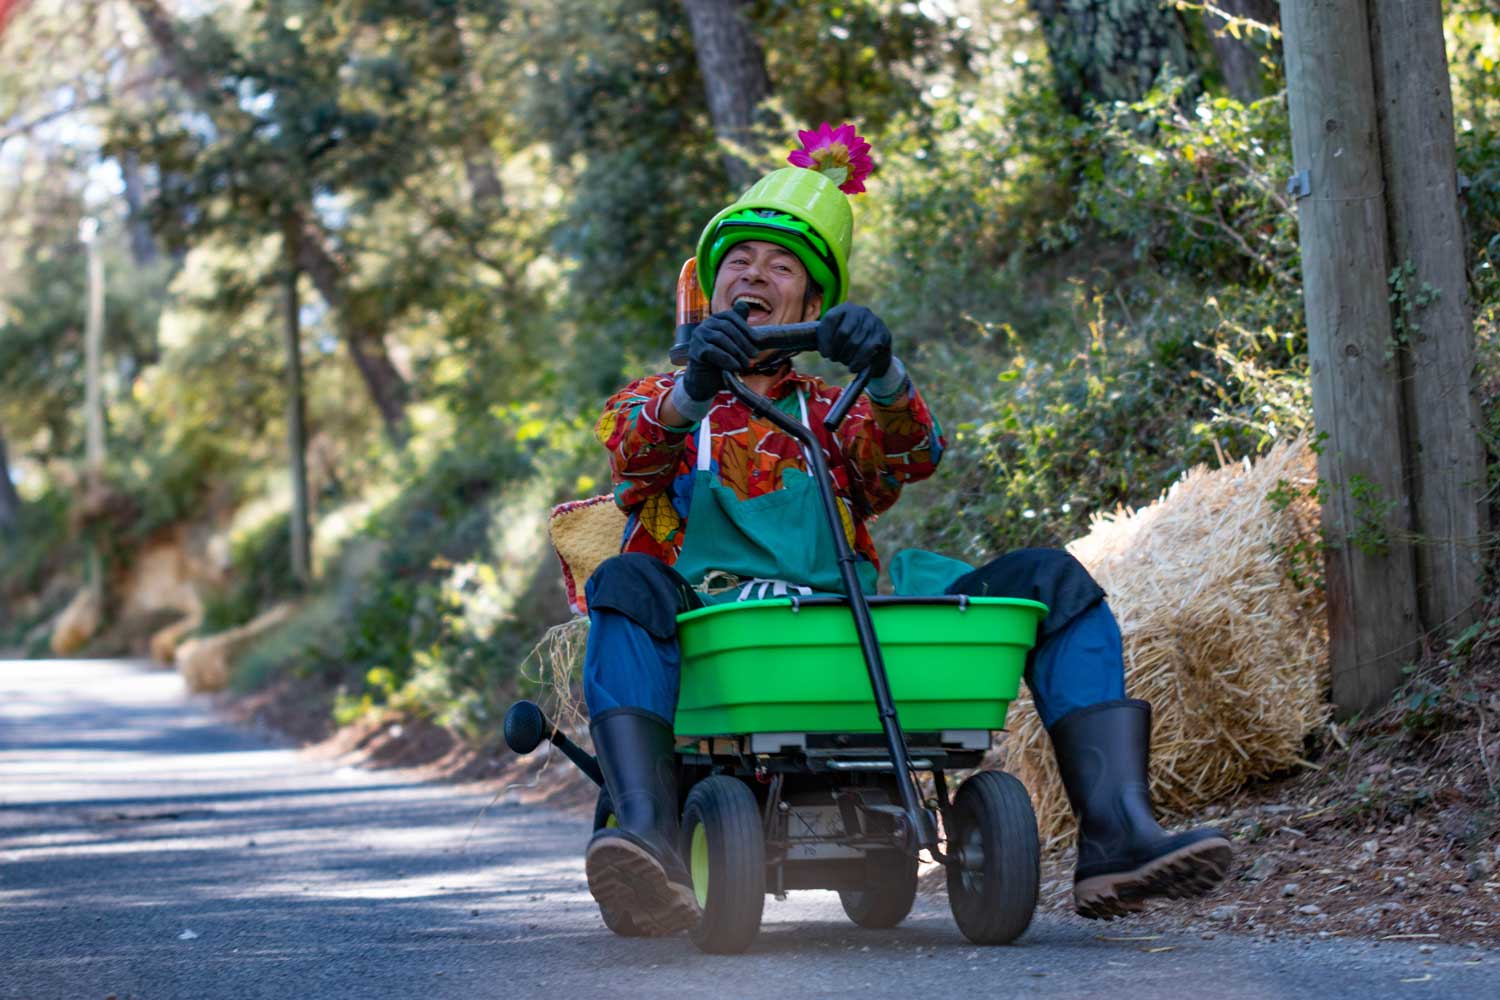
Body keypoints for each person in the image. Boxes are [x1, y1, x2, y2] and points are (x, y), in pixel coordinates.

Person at [580, 123, 1231, 935]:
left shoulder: (832, 406)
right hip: (714, 638)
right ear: (710, 292)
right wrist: (697, 388)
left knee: (1053, 580)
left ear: (811, 304)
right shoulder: (660, 398)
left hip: (841, 638)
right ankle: (648, 838)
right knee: (621, 583)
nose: (755, 276)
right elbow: (633, 460)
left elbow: (916, 454)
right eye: (738, 264)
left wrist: (881, 370)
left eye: (781, 267)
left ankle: (1118, 835)